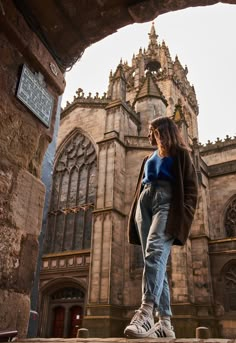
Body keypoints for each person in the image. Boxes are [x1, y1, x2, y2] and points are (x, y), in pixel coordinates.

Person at [124, 116, 198, 338]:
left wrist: (183, 215)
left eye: (153, 131)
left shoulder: (181, 154)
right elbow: (143, 185)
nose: (149, 135)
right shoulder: (148, 157)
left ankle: (146, 312)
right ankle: (165, 322)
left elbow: (192, 190)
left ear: (164, 131)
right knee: (156, 261)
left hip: (167, 203)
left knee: (154, 253)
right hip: (144, 204)